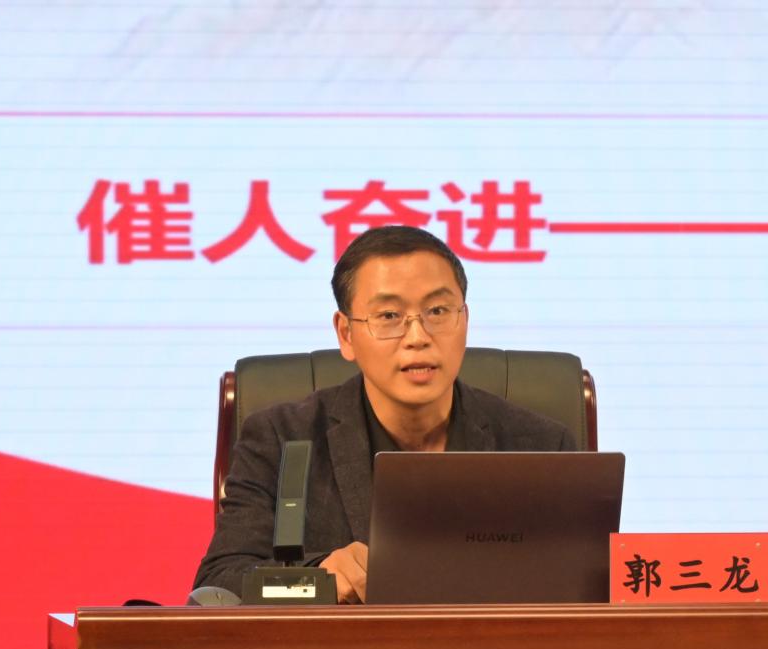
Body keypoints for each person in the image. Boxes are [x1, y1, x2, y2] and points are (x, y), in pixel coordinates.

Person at [193, 225, 576, 603]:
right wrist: (316, 580)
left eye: (438, 311)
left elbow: (582, 585)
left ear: (465, 319)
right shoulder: (281, 438)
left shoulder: (543, 446)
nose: (418, 337)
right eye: (389, 315)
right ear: (346, 334)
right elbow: (220, 585)